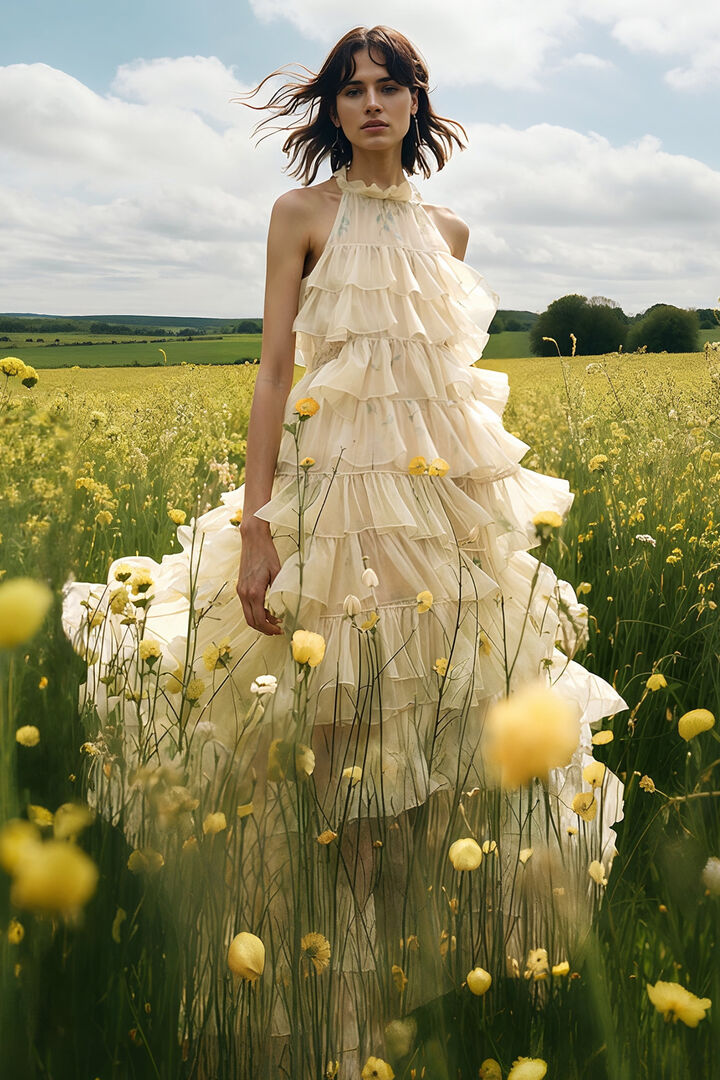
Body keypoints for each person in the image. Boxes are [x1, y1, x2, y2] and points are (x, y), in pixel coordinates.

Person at [62, 25, 626, 1079]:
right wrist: (260, 528)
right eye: (352, 90)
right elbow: (276, 371)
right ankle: (330, 1016)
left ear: (419, 103)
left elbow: (440, 395)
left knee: (425, 785)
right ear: (331, 111)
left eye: (390, 87)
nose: (371, 104)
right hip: (332, 525)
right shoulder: (300, 216)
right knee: (338, 783)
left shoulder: (450, 234)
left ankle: (385, 1018)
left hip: (435, 527)